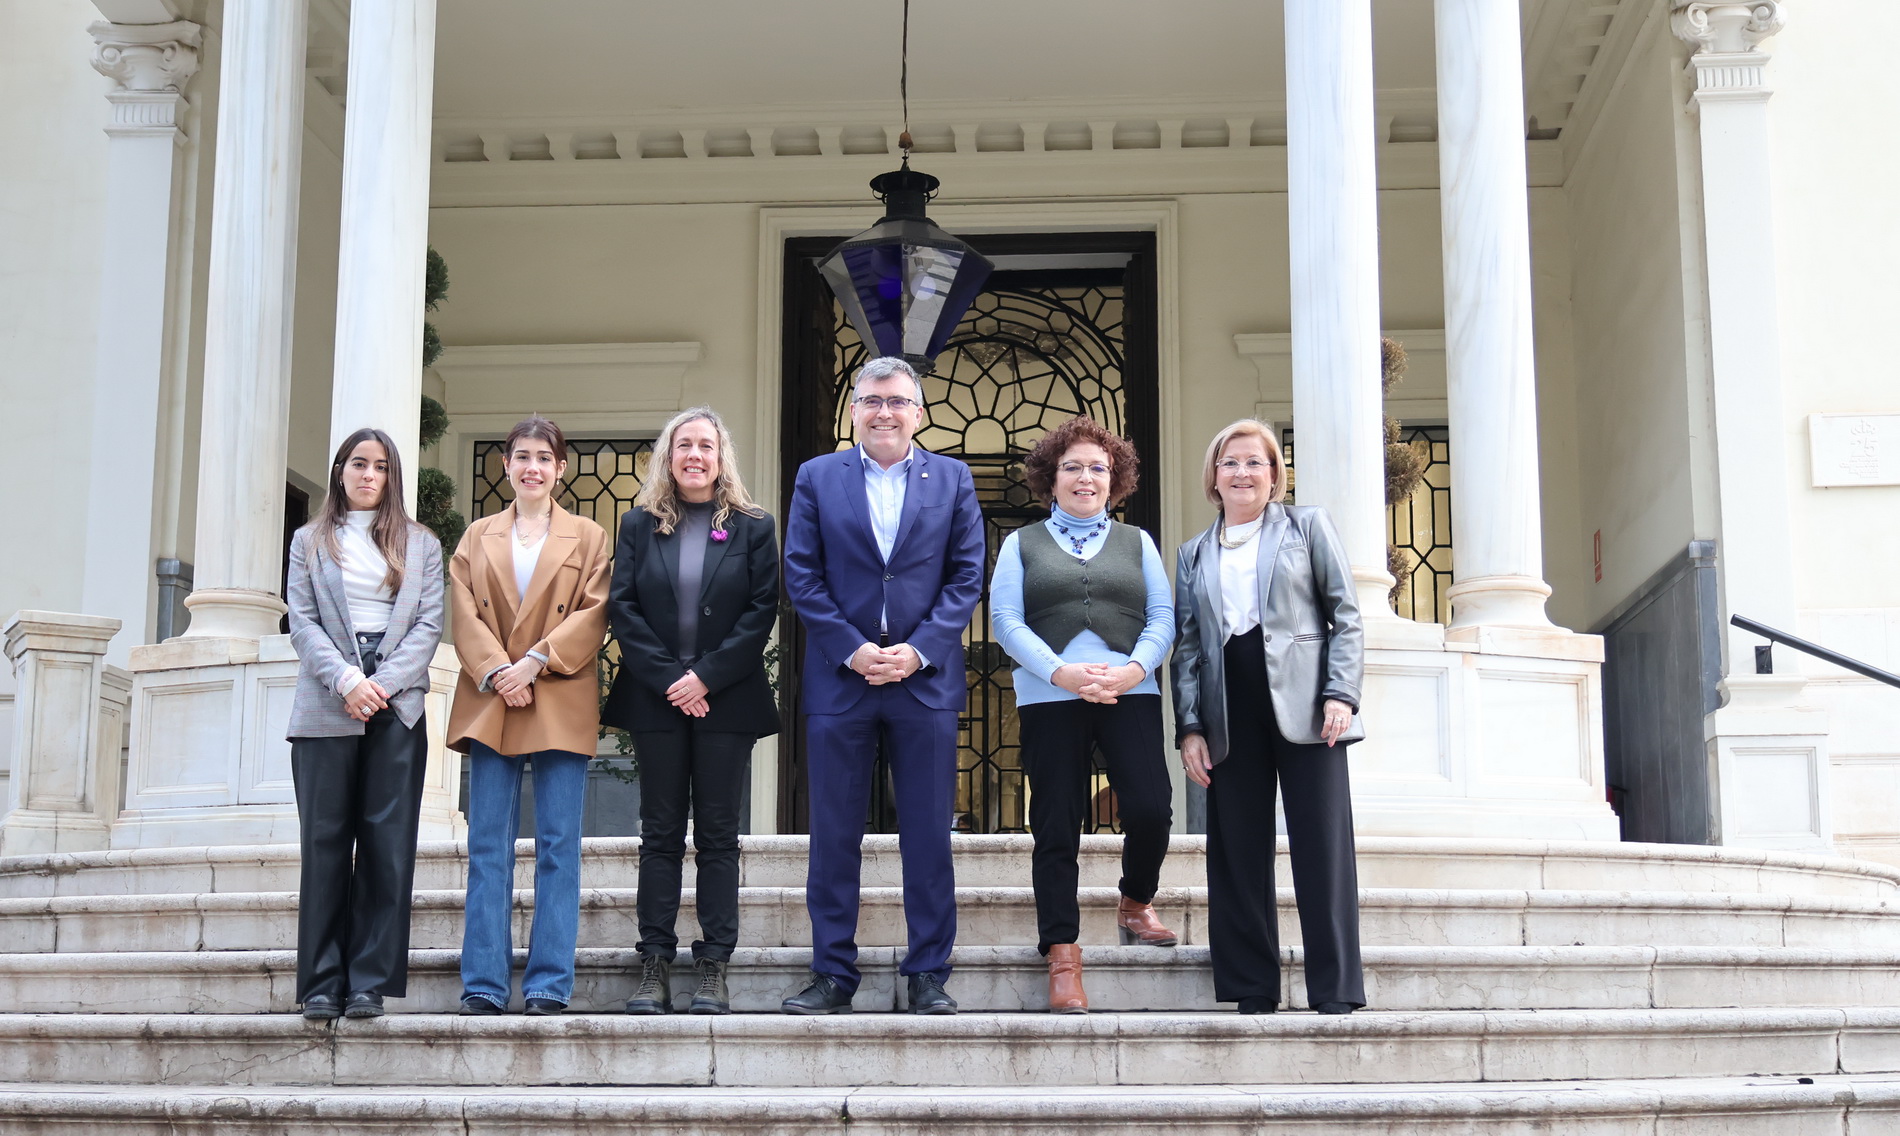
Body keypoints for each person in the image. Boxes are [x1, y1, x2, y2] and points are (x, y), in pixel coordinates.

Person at [780, 355, 985, 1015]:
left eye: (898, 401)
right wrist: (854, 649)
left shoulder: (952, 478)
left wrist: (920, 651)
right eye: (872, 400)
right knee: (833, 835)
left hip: (923, 684)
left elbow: (966, 575)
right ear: (854, 411)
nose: (885, 412)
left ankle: (928, 973)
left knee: (928, 834)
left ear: (919, 413)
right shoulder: (817, 477)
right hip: (842, 681)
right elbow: (801, 572)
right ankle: (833, 975)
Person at [1170, 418, 1366, 1015]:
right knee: (1237, 849)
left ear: (1274, 473)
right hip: (1229, 706)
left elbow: (1346, 615)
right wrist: (1190, 727)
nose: (1242, 472)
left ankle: (1333, 989)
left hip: (1308, 704)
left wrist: (1341, 693)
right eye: (1230, 462)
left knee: (1321, 844)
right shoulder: (1192, 553)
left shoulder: (1307, 527)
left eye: (1255, 462)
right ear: (1214, 475)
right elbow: (1187, 649)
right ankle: (1252, 986)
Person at [989, 417, 1178, 1013]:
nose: (1085, 477)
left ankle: (1135, 900)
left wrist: (1134, 671)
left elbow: (1162, 616)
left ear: (1114, 478)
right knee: (1056, 825)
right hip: (1050, 698)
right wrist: (1060, 673)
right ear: (1052, 477)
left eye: (1098, 467)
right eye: (1073, 466)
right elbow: (1005, 621)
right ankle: (1063, 954)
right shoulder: (1021, 545)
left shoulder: (1137, 542)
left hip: (1130, 692)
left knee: (1150, 806)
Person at [602, 406, 779, 1016]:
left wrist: (703, 677)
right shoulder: (637, 525)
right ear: (668, 456)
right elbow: (622, 607)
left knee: (719, 836)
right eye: (684, 445)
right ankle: (653, 963)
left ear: (721, 456)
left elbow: (761, 611)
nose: (695, 456)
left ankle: (713, 966)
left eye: (706, 445)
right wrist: (673, 679)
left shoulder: (754, 526)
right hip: (656, 699)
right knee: (659, 835)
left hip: (725, 701)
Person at [446, 415, 610, 1016]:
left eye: (545, 457)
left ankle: (547, 984)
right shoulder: (475, 537)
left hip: (558, 689)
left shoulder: (590, 536)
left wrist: (535, 662)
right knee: (489, 843)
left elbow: (594, 611)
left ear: (561, 468)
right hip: (493, 693)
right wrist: (497, 669)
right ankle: (484, 983)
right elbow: (462, 612)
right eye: (522, 456)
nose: (533, 467)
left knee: (559, 844)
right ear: (506, 465)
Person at [284, 427, 445, 1021]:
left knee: (386, 847)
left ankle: (368, 982)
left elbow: (429, 626)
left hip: (396, 704)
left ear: (392, 476)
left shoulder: (421, 544)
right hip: (327, 702)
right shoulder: (308, 539)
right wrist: (348, 681)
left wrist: (382, 684)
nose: (368, 474)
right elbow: (301, 622)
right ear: (340, 470)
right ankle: (322, 982)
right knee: (325, 846)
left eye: (379, 466)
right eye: (358, 463)